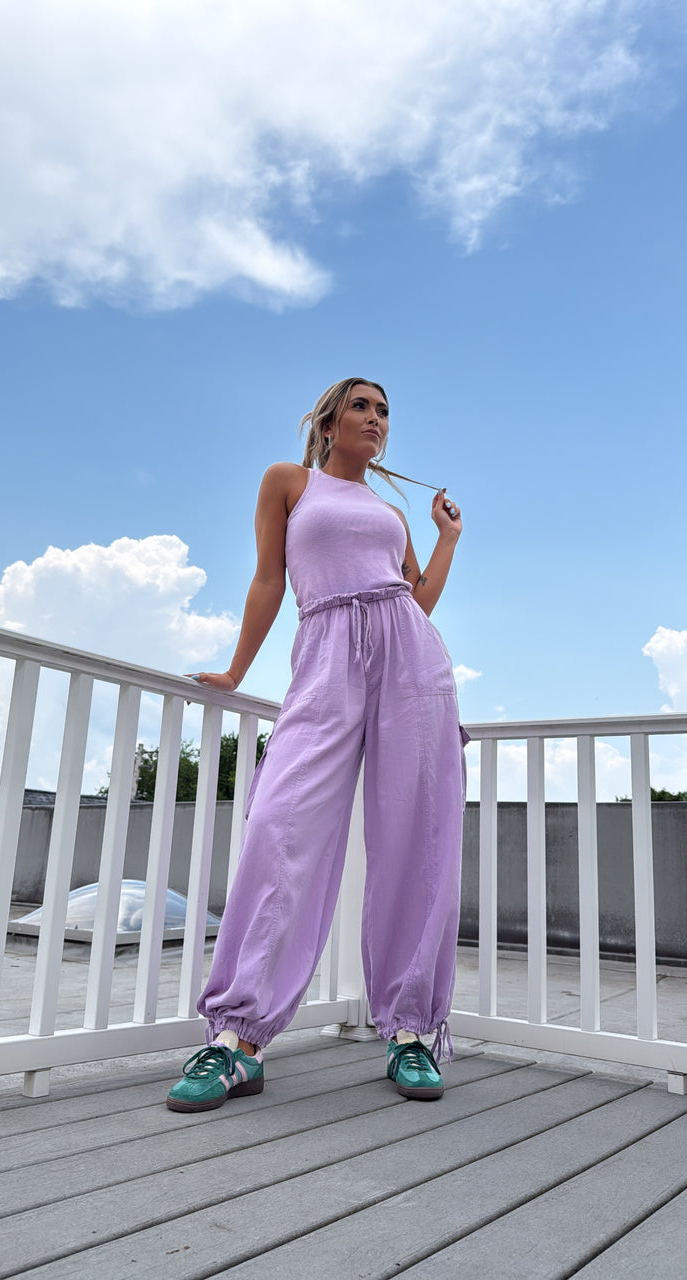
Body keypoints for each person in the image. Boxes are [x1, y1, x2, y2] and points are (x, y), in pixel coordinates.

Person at [166, 377, 464, 1112]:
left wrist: (446, 539)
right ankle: (237, 1039)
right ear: (328, 423)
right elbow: (269, 579)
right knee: (281, 825)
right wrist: (236, 671)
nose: (376, 419)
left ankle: (410, 1032)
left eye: (384, 411)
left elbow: (416, 600)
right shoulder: (289, 482)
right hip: (326, 655)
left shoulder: (391, 513)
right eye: (361, 406)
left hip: (410, 661)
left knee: (416, 838)